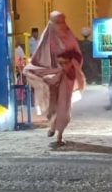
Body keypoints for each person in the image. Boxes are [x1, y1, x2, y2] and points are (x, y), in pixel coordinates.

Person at [23, 10, 85, 146]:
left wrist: (69, 64)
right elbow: (38, 58)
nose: (60, 25)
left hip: (67, 75)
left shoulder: (69, 36)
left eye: (62, 21)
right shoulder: (47, 37)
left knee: (64, 105)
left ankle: (59, 135)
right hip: (51, 76)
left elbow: (77, 55)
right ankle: (52, 126)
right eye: (57, 22)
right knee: (52, 105)